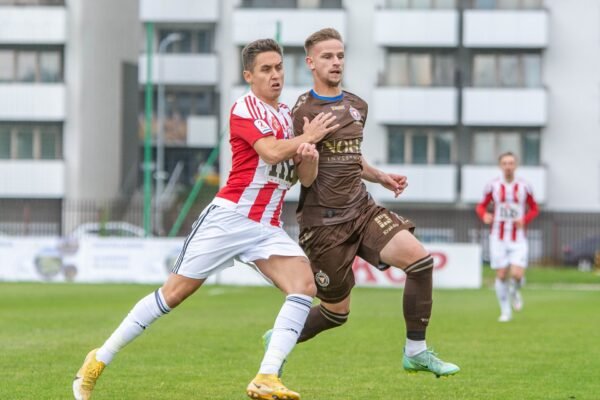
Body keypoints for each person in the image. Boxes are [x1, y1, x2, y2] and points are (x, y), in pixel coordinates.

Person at [72, 38, 338, 400]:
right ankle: (98, 359)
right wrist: (305, 138)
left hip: (266, 227)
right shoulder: (244, 109)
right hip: (228, 220)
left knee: (304, 286)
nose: (275, 75)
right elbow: (271, 152)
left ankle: (266, 376)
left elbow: (304, 178)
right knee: (172, 295)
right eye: (266, 69)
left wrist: (309, 152)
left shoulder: (286, 116)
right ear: (249, 75)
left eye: (278, 67)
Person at [263, 28, 459, 379]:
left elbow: (352, 156)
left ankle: (416, 351)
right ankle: (281, 336)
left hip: (362, 209)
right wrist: (308, 145)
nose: (336, 62)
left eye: (340, 55)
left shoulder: (357, 105)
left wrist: (380, 176)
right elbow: (305, 180)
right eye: (327, 56)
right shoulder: (300, 112)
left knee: (420, 262)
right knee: (336, 313)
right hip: (323, 224)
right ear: (310, 63)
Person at [476, 152, 539, 322]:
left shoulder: (525, 186)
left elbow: (534, 208)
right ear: (500, 166)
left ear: (515, 165)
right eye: (505, 163)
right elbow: (481, 206)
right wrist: (484, 216)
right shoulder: (493, 185)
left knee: (518, 275)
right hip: (498, 236)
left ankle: (515, 291)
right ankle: (505, 311)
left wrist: (524, 219)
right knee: (502, 274)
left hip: (518, 237)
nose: (508, 166)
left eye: (511, 163)